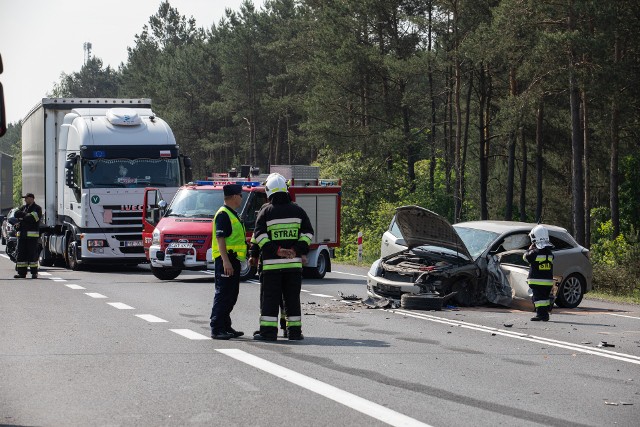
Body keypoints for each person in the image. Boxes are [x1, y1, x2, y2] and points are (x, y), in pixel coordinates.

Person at [251, 173, 314, 341]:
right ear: (286, 190)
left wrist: (276, 250)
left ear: (268, 191)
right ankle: (294, 332)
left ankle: (268, 332)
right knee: (292, 299)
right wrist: (296, 249)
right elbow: (308, 233)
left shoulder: (266, 211)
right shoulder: (298, 210)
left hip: (271, 266)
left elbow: (259, 236)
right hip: (293, 265)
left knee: (270, 299)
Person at [209, 184, 247, 340]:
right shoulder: (223, 214)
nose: (241, 198)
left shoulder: (232, 214)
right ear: (234, 197)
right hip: (226, 259)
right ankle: (217, 328)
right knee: (223, 294)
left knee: (231, 295)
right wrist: (226, 261)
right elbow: (220, 239)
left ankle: (226, 325)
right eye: (240, 195)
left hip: (233, 259)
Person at [523, 225, 555, 321]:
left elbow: (525, 257)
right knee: (544, 299)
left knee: (538, 299)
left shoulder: (534, 252)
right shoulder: (549, 253)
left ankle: (540, 315)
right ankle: (545, 314)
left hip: (537, 281)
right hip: (547, 281)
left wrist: (529, 249)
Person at [14, 193, 43, 279]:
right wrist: (25, 216)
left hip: (32, 237)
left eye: (26, 198)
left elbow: (32, 219)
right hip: (22, 236)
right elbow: (16, 214)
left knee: (32, 255)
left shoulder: (37, 208)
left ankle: (34, 273)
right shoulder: (23, 208)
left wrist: (22, 217)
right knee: (21, 255)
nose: (25, 200)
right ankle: (21, 273)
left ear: (31, 198)